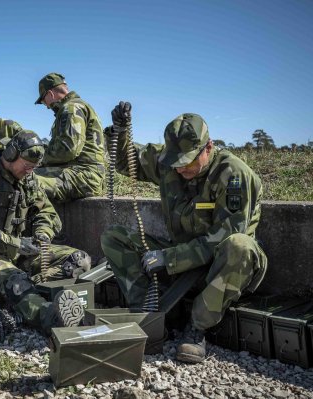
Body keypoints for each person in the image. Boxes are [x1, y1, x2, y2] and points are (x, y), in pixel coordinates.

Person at [100, 103, 267, 363]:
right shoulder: (170, 162)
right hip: (181, 261)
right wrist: (121, 132)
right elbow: (127, 162)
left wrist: (170, 258)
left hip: (220, 268)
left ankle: (197, 328)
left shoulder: (233, 175)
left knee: (240, 245)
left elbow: (223, 238)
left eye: (187, 162)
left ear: (208, 148)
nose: (180, 169)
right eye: (174, 162)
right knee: (114, 238)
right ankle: (151, 315)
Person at [0, 130, 92, 336]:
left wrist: (43, 232)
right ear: (10, 155)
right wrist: (14, 243)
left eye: (33, 168)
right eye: (26, 165)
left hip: (21, 252)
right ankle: (49, 316)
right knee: (15, 282)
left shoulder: (29, 179)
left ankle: (32, 290)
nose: (29, 171)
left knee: (80, 261)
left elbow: (47, 212)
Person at [33, 72, 106, 202]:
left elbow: (67, 150)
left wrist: (39, 160)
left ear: (50, 94)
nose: (46, 106)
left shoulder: (71, 108)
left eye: (44, 101)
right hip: (82, 174)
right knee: (25, 175)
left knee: (25, 181)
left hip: (83, 177)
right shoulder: (75, 106)